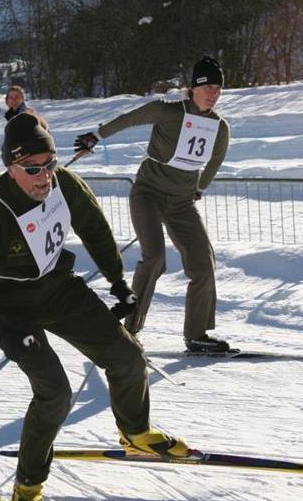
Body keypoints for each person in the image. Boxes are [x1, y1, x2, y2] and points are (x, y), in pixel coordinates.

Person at [0, 113, 191, 501]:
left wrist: (118, 284)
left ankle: (135, 432)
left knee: (128, 356)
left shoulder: (64, 185)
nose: (44, 177)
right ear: (11, 166)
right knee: (55, 392)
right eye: (32, 169)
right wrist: (4, 332)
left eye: (50, 164)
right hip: (10, 306)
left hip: (58, 289)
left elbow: (94, 228)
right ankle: (27, 489)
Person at [74, 56, 232, 353]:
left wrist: (200, 188)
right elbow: (129, 118)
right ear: (193, 88)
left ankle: (197, 334)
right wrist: (95, 136)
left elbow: (215, 160)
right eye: (208, 86)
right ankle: (129, 329)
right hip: (148, 193)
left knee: (203, 264)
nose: (213, 93)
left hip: (182, 203)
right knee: (155, 257)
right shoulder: (167, 111)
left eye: (218, 88)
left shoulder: (220, 128)